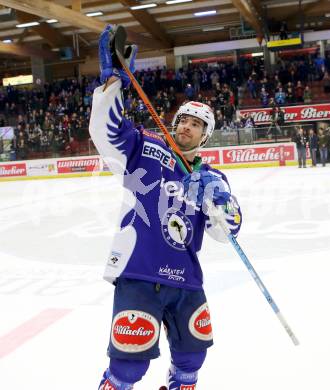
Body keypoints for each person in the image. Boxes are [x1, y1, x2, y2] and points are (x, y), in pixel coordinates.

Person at [90, 25, 242, 390]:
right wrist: (113, 86)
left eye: (196, 125)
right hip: (140, 273)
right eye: (183, 121)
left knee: (192, 360)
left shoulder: (213, 176)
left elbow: (228, 232)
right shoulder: (144, 147)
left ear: (205, 136)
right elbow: (104, 132)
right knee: (128, 368)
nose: (186, 127)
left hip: (187, 280)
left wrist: (219, 200)